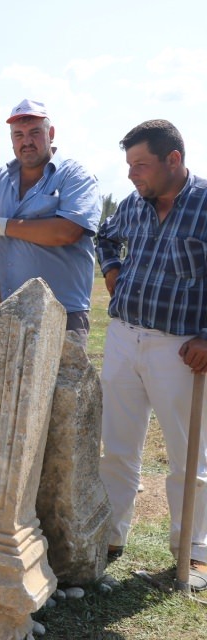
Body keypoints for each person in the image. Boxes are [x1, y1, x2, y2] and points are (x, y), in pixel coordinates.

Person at [95, 119, 207, 588]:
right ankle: (109, 537)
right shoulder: (132, 205)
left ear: (173, 160)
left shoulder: (204, 204)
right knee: (116, 444)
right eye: (128, 165)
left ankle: (194, 555)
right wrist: (113, 270)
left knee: (190, 455)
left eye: (140, 164)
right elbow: (104, 235)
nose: (131, 174)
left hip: (179, 348)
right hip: (123, 336)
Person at [0, 99, 101, 341]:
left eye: (34, 133)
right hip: (4, 312)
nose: (26, 141)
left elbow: (67, 231)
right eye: (18, 135)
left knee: (57, 380)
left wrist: (2, 226)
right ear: (11, 140)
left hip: (58, 315)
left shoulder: (74, 176)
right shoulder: (0, 179)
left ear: (51, 133)